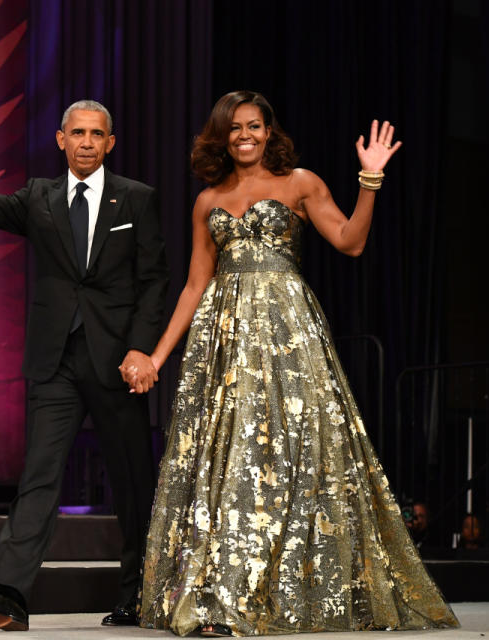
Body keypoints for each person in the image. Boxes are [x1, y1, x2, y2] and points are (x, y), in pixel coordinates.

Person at [136, 91, 459, 636]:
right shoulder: (207, 200)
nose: (245, 135)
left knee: (295, 456)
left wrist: (370, 180)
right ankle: (222, 600)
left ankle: (275, 591)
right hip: (225, 343)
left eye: (255, 126)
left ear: (269, 131)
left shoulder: (300, 182)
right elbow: (195, 286)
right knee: (232, 465)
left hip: (288, 338)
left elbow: (350, 242)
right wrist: (158, 357)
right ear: (221, 134)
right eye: (235, 127)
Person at [0, 80, 169, 631]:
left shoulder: (136, 198)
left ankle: (136, 595)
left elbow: (155, 281)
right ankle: (9, 596)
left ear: (110, 143)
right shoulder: (38, 197)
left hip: (117, 362)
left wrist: (142, 349)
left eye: (97, 134)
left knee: (134, 483)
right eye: (78, 133)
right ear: (60, 140)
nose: (87, 142)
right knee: (39, 478)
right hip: (54, 364)